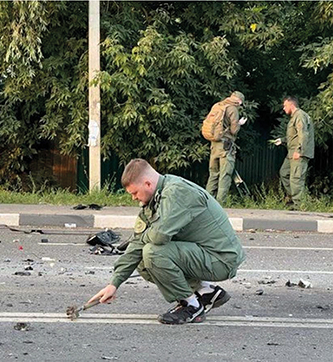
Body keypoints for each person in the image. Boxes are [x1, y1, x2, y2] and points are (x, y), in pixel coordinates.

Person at [88, 159, 245, 325]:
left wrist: (143, 238)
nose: (134, 198)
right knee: (142, 258)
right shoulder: (154, 199)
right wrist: (114, 284)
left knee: (153, 252)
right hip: (203, 254)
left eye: (135, 193)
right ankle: (204, 291)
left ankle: (191, 306)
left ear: (147, 184)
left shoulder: (177, 193)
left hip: (221, 259)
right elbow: (136, 243)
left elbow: (158, 237)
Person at [205, 91, 247, 204]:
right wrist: (239, 124)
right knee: (225, 174)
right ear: (239, 101)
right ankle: (220, 203)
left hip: (214, 144)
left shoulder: (218, 105)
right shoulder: (233, 109)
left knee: (213, 174)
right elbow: (234, 130)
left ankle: (208, 202)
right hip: (226, 146)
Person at [272, 96, 314, 208]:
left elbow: (303, 134)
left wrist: (299, 151)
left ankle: (299, 206)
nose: (284, 109)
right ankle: (291, 199)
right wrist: (282, 140)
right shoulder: (294, 117)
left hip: (298, 153)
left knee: (296, 179)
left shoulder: (299, 116)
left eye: (285, 106)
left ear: (292, 104)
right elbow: (294, 135)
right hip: (291, 153)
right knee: (284, 173)